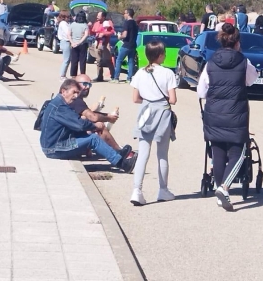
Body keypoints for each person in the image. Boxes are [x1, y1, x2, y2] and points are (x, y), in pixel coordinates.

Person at [197, 23, 259, 211]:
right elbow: (251, 80)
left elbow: (201, 91)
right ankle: (224, 187)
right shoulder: (243, 62)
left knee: (218, 152)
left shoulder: (211, 62)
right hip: (236, 114)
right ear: (237, 43)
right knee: (238, 154)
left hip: (214, 114)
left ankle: (219, 188)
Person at [39, 79, 137, 172]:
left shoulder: (57, 103)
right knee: (93, 139)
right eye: (74, 92)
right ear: (63, 91)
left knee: (89, 135)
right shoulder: (60, 107)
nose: (76, 96)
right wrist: (95, 127)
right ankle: (122, 164)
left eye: (77, 93)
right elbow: (80, 125)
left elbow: (76, 122)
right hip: (54, 148)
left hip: (53, 145)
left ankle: (117, 153)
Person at [130, 41, 178, 206]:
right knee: (162, 154)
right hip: (162, 113)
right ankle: (163, 189)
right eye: (163, 53)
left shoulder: (140, 73)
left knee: (143, 153)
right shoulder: (167, 74)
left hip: (145, 112)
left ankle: (137, 190)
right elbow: (173, 99)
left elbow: (135, 98)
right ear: (159, 56)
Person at [71, 74, 128, 154]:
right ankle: (118, 151)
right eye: (85, 84)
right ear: (75, 84)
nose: (87, 87)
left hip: (73, 132)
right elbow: (90, 117)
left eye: (89, 85)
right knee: (99, 126)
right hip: (70, 137)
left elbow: (84, 116)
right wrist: (108, 117)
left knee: (95, 124)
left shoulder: (76, 98)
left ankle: (115, 150)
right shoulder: (75, 100)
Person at [112, 8, 138, 84]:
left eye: (125, 13)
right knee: (131, 61)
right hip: (133, 45)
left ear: (128, 14)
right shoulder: (135, 23)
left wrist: (120, 36)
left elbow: (125, 34)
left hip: (126, 45)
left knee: (119, 60)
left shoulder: (127, 23)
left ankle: (116, 78)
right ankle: (129, 78)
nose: (124, 15)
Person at [89, 11, 115, 82]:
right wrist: (90, 27)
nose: (97, 17)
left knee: (108, 60)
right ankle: (100, 76)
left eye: (99, 16)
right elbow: (92, 33)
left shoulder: (108, 22)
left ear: (103, 17)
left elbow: (112, 32)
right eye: (97, 15)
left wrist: (103, 34)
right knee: (98, 61)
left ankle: (113, 76)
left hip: (105, 44)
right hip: (97, 43)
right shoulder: (96, 23)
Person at [69, 11, 89, 77]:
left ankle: (73, 75)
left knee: (74, 60)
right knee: (82, 61)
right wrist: (80, 42)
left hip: (74, 44)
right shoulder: (85, 25)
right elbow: (86, 35)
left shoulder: (72, 24)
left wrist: (72, 42)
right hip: (82, 44)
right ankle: (82, 75)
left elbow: (69, 34)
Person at [57, 10, 72, 80]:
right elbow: (67, 33)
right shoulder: (63, 23)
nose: (69, 17)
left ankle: (63, 74)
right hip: (65, 41)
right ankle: (62, 75)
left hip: (64, 42)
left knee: (67, 59)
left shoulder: (65, 23)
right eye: (68, 16)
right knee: (66, 60)